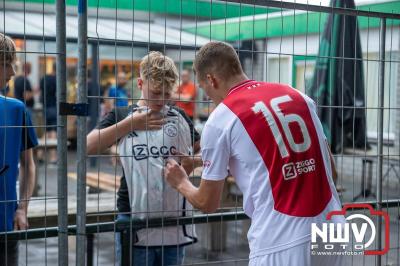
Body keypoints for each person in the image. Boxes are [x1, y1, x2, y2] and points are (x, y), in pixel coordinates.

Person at [164, 41, 344, 266]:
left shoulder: (220, 119)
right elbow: (329, 171)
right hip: (334, 228)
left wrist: (180, 181)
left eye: (205, 89)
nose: (208, 97)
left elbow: (207, 202)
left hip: (280, 241)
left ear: (211, 79)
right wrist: (203, 159)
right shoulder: (298, 96)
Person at [87, 51, 200, 266]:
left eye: (168, 94)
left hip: (173, 218)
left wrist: (194, 161)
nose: (162, 100)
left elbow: (203, 151)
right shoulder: (122, 114)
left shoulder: (179, 117)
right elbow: (88, 146)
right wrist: (131, 124)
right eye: (156, 93)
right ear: (140, 83)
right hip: (133, 216)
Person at [0, 33, 38, 266]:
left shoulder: (16, 109)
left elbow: (29, 163)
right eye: (6, 65)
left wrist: (22, 208)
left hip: (5, 224)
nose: (13, 73)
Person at [40, 62, 57, 163]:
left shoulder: (44, 78)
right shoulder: (56, 80)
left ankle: (39, 155)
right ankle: (53, 158)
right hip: (53, 107)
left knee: (47, 131)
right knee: (53, 131)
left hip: (45, 107)